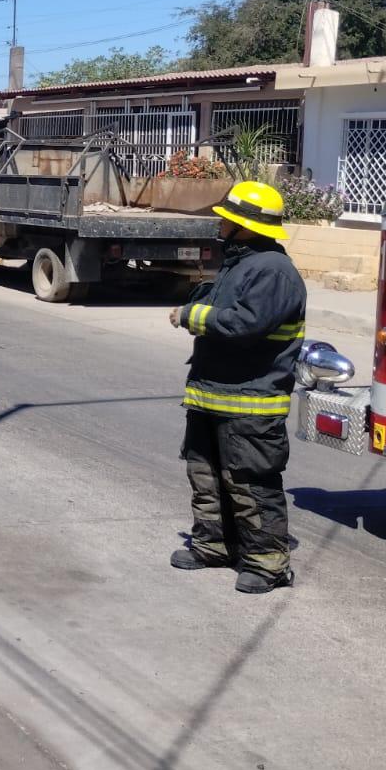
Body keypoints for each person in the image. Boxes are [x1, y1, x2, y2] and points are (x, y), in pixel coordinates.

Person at [167, 181, 305, 594]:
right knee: (206, 475)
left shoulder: (273, 271)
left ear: (245, 226)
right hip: (212, 395)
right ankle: (213, 546)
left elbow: (245, 324)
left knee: (250, 483)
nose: (220, 223)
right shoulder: (240, 263)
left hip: (251, 401)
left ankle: (267, 565)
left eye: (227, 218)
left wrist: (192, 316)